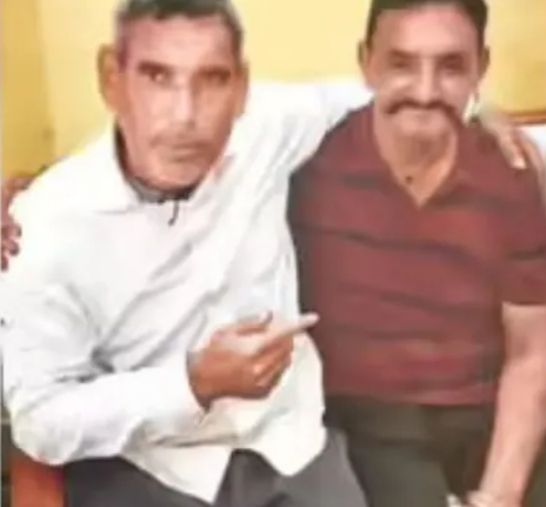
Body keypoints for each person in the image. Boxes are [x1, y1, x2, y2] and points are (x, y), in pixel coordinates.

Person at [1, 1, 370, 506]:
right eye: (157, 77)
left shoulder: (269, 126)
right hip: (151, 466)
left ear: (240, 87)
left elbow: (398, 91)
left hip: (290, 445)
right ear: (111, 79)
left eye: (212, 79)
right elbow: (40, 422)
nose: (185, 116)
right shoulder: (45, 224)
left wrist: (472, 113)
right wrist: (190, 384)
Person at [288, 1, 546, 506]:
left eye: (451, 67)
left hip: (491, 414)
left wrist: (501, 493)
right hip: (368, 421)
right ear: (366, 62)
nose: (426, 92)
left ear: (481, 69)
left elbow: (532, 351)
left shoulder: (509, 173)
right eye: (401, 64)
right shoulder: (308, 160)